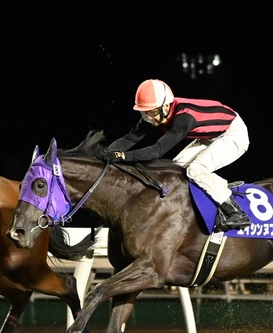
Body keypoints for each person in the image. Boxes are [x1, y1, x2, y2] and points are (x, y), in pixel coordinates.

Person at [103, 79, 251, 232]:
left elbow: (156, 151)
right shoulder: (157, 110)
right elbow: (131, 138)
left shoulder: (184, 118)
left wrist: (122, 156)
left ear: (166, 106)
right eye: (145, 113)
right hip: (210, 135)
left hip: (233, 134)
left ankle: (237, 213)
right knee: (175, 168)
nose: (149, 118)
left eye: (152, 112)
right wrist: (107, 152)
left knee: (196, 170)